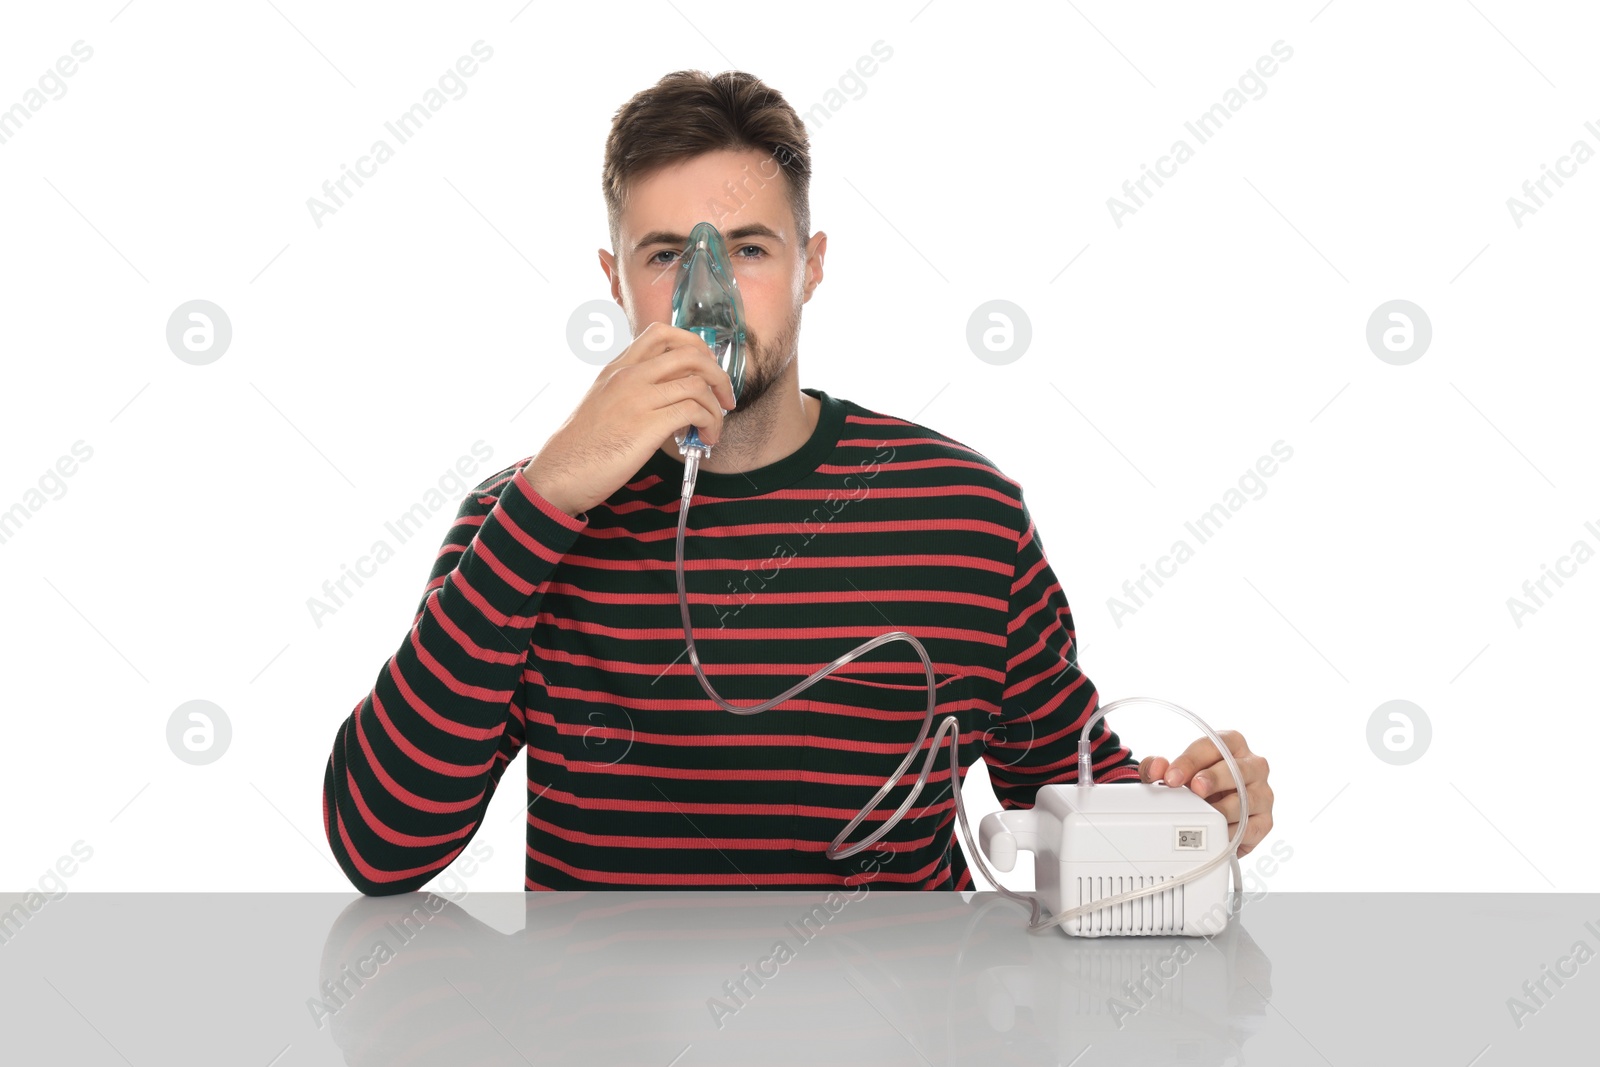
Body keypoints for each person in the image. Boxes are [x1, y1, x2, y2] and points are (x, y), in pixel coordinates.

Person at [320, 69, 1274, 895]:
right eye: (666, 256)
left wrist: (1195, 809)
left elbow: (1087, 821)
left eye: (746, 248)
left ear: (811, 266)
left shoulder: (962, 515)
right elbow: (381, 846)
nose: (709, 295)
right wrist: (546, 499)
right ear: (614, 279)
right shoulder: (520, 519)